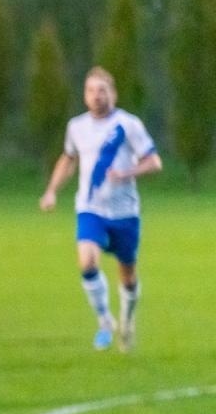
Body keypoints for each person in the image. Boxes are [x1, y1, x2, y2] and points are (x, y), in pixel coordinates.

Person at [39, 67, 161, 351]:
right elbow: (68, 159)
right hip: (90, 208)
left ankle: (127, 322)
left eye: (102, 90)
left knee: (127, 274)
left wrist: (128, 172)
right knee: (87, 261)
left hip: (125, 213)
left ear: (113, 94)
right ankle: (105, 320)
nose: (97, 96)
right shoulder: (76, 127)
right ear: (85, 95)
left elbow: (154, 162)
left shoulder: (128, 125)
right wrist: (51, 191)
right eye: (91, 91)